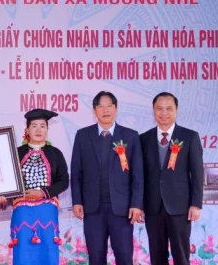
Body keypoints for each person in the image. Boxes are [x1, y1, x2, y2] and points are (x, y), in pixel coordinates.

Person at [70, 91, 143, 265]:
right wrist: (77, 201)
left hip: (122, 208)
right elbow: (76, 171)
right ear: (94, 110)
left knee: (124, 256)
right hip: (93, 208)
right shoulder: (83, 135)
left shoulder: (130, 136)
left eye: (109, 106)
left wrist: (136, 204)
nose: (105, 110)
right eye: (101, 106)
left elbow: (138, 174)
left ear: (116, 109)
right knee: (96, 256)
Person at [0, 108, 69, 265]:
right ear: (27, 129)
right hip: (22, 211)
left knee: (48, 249)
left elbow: (64, 181)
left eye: (43, 126)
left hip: (47, 210)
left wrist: (43, 192)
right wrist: (2, 195)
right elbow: (6, 181)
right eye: (34, 126)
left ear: (47, 129)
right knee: (23, 250)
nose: (38, 130)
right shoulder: (16, 153)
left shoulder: (56, 153)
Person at [140, 92, 204, 265]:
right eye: (159, 108)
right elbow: (140, 175)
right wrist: (139, 204)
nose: (164, 113)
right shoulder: (143, 139)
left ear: (176, 110)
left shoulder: (189, 137)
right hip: (152, 207)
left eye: (169, 108)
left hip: (180, 207)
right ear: (153, 111)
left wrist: (196, 204)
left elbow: (197, 173)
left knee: (181, 256)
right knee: (157, 256)